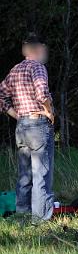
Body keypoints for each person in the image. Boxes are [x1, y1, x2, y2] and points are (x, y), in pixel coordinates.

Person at [0, 34, 56, 222]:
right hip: (38, 125)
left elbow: (1, 96)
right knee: (42, 174)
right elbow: (42, 93)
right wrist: (48, 111)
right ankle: (40, 220)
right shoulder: (38, 67)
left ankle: (22, 217)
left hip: (22, 126)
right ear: (38, 49)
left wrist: (17, 116)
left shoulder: (15, 70)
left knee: (25, 175)